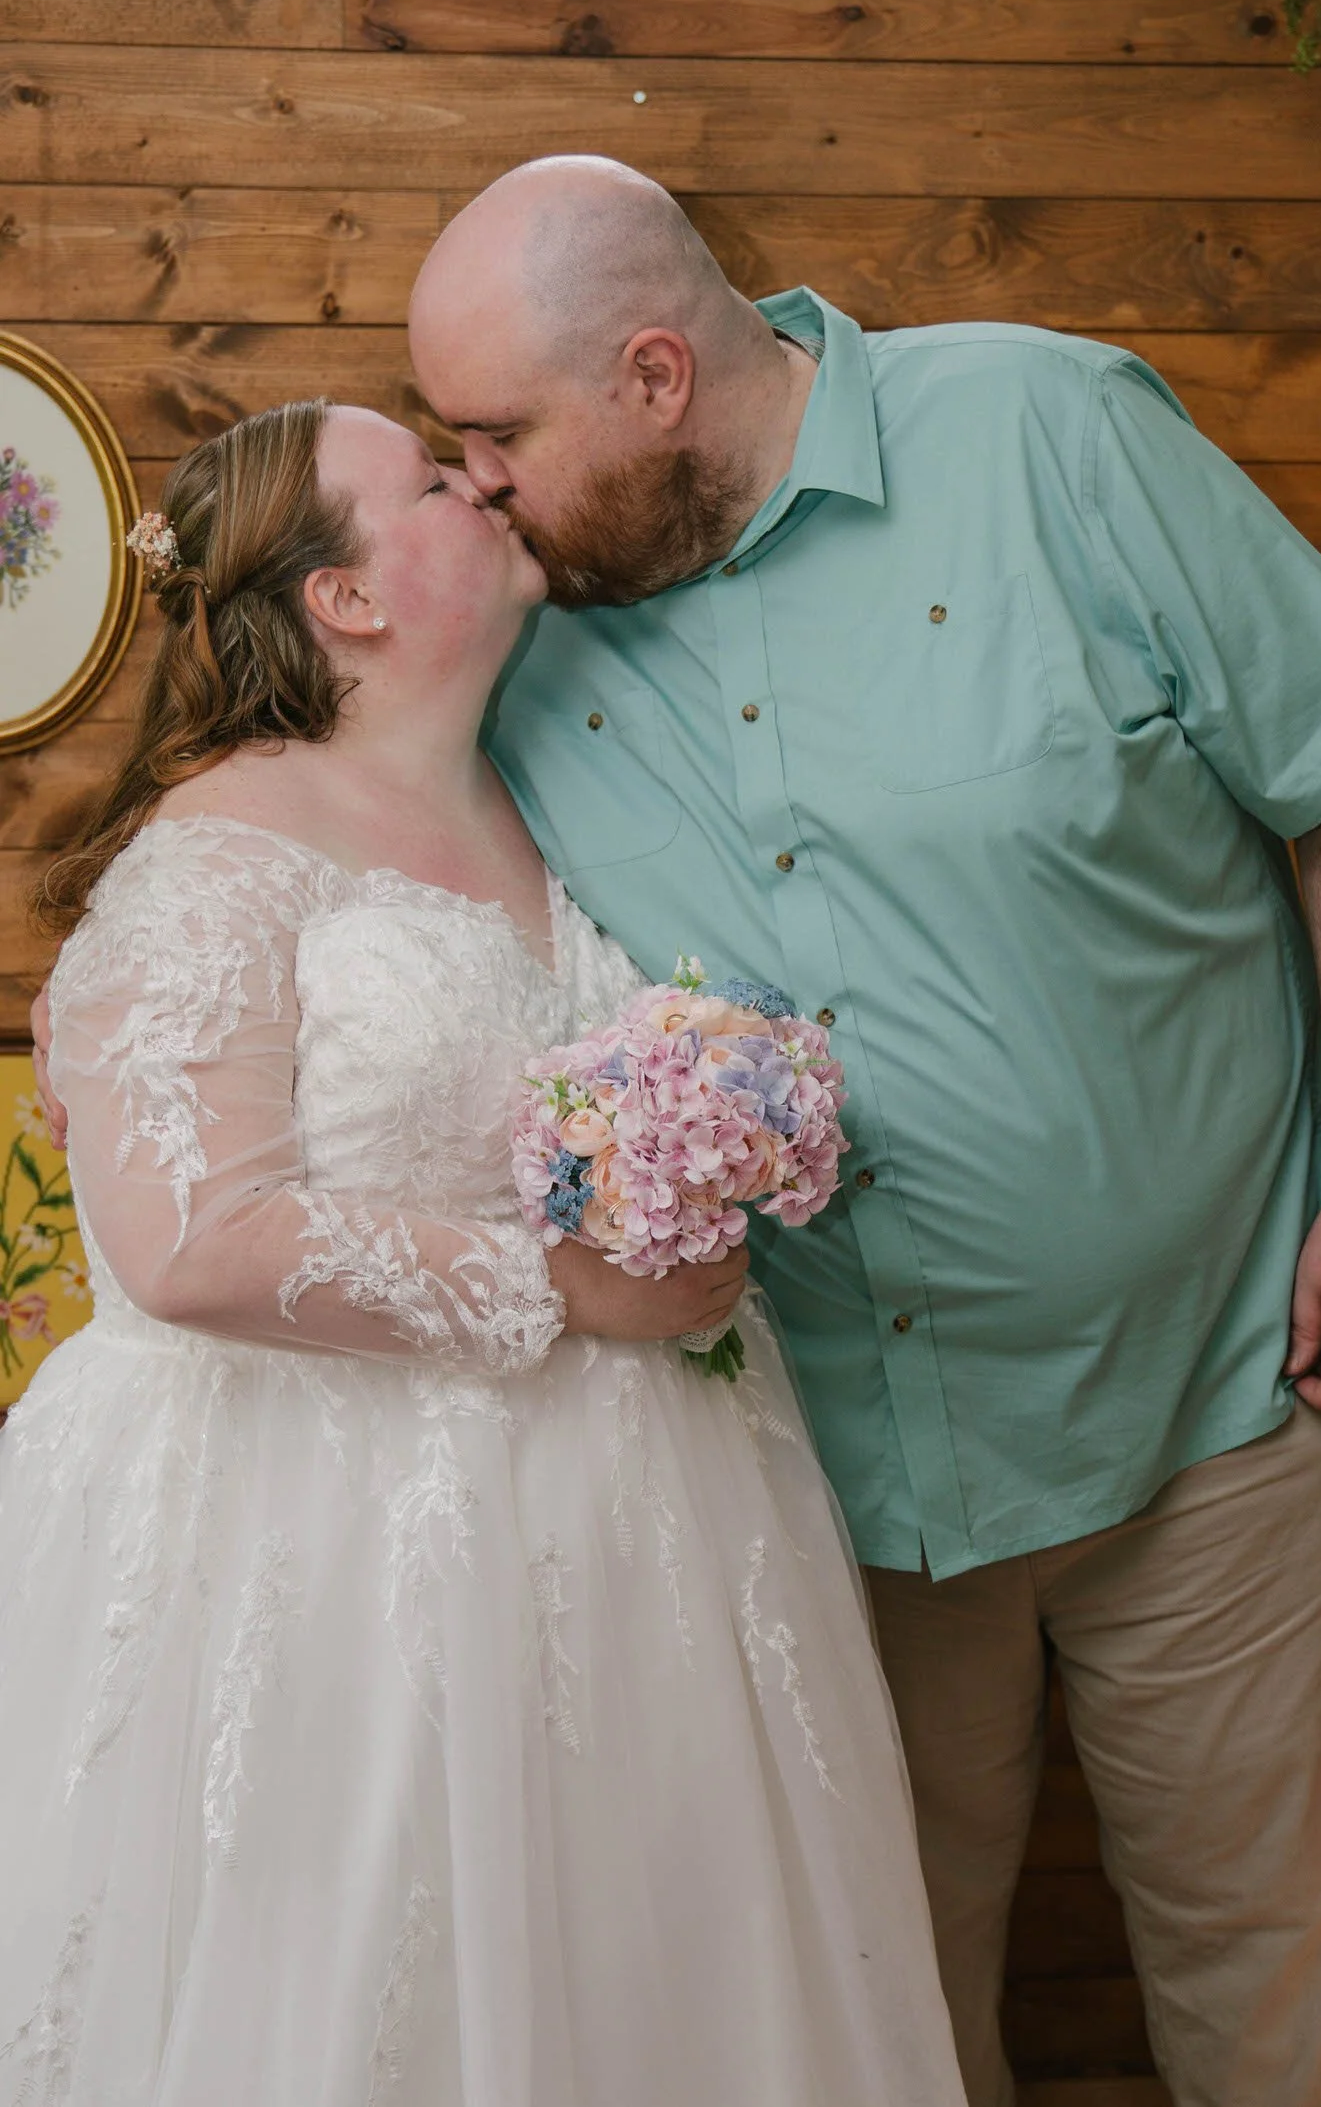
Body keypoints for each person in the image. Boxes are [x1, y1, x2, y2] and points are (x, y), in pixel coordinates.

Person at [401, 155, 1321, 2107]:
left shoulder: (1055, 438)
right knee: (871, 2042)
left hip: (1219, 1423)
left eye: (496, 434)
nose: (475, 482)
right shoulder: (516, 627)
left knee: (1273, 2027)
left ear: (653, 375)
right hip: (829, 1487)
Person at [0, 400, 969, 2107]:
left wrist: (700, 1185)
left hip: (632, 1526)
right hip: (321, 1547)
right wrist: (567, 1285)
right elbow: (189, 1240)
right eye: (433, 481)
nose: (484, 483)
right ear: (346, 601)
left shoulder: (538, 803)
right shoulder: (217, 852)